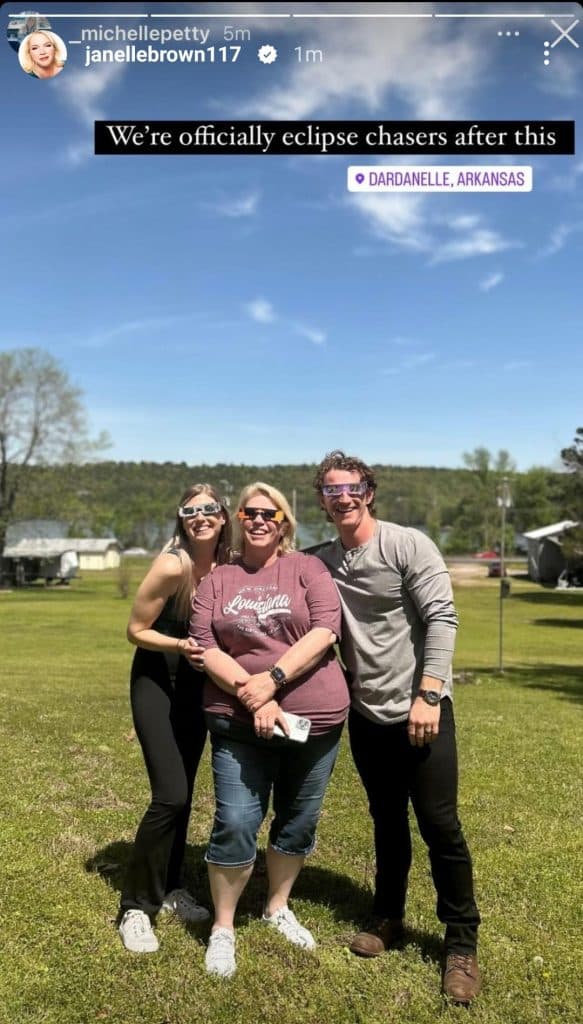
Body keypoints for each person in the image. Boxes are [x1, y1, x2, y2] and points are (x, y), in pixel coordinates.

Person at [313, 451, 481, 1005]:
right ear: (322, 499)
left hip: (422, 710)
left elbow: (442, 617)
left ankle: (460, 944)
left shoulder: (408, 545)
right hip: (366, 716)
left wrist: (429, 693)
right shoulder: (324, 561)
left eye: (352, 487)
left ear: (370, 491)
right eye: (332, 490)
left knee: (440, 825)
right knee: (386, 820)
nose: (343, 497)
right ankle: (388, 917)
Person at [188, 482, 350, 978]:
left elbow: (326, 629)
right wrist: (251, 693)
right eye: (251, 512)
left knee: (298, 819)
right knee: (236, 820)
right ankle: (223, 927)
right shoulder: (218, 580)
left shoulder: (308, 568)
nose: (260, 520)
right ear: (239, 518)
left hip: (312, 721)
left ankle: (277, 906)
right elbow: (204, 644)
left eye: (270, 513)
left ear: (284, 522)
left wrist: (273, 682)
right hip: (237, 722)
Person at [118, 484, 231, 954]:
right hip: (156, 684)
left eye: (209, 509)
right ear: (181, 518)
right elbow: (135, 630)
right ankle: (135, 908)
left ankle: (169, 886)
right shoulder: (173, 564)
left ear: (224, 516)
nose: (200, 516)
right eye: (191, 510)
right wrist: (179, 645)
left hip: (196, 689)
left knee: (184, 793)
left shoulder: (228, 565)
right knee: (170, 793)